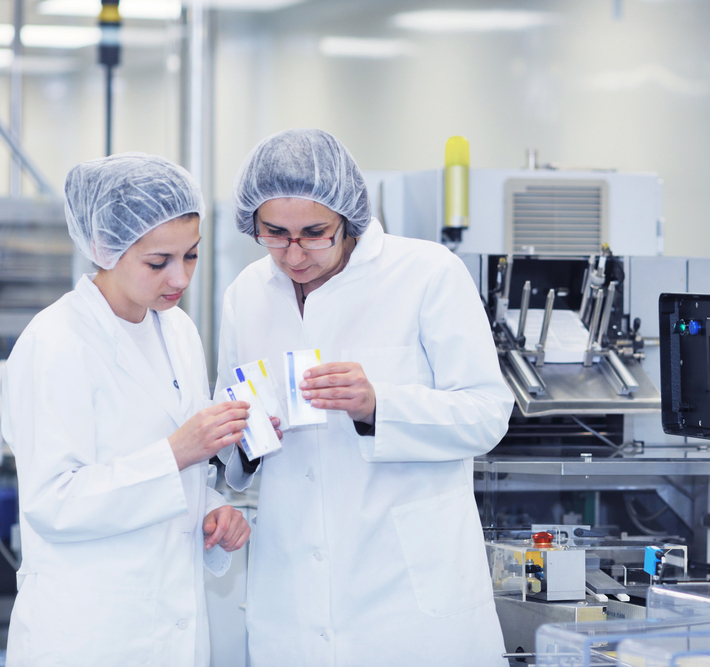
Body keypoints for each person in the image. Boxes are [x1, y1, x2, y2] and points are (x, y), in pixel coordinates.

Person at [217, 128, 512, 666]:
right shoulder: (246, 294)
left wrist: (379, 406)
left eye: (314, 233)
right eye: (274, 234)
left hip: (405, 597)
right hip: (291, 597)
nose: (294, 253)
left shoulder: (426, 274)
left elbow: (487, 414)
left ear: (347, 219)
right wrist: (246, 437)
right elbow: (229, 437)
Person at [0, 153, 253, 667]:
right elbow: (53, 504)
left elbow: (175, 476)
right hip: (89, 634)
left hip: (171, 626)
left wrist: (210, 511)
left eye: (192, 255)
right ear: (104, 248)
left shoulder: (176, 330)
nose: (179, 278)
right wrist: (176, 453)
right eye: (158, 262)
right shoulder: (55, 343)